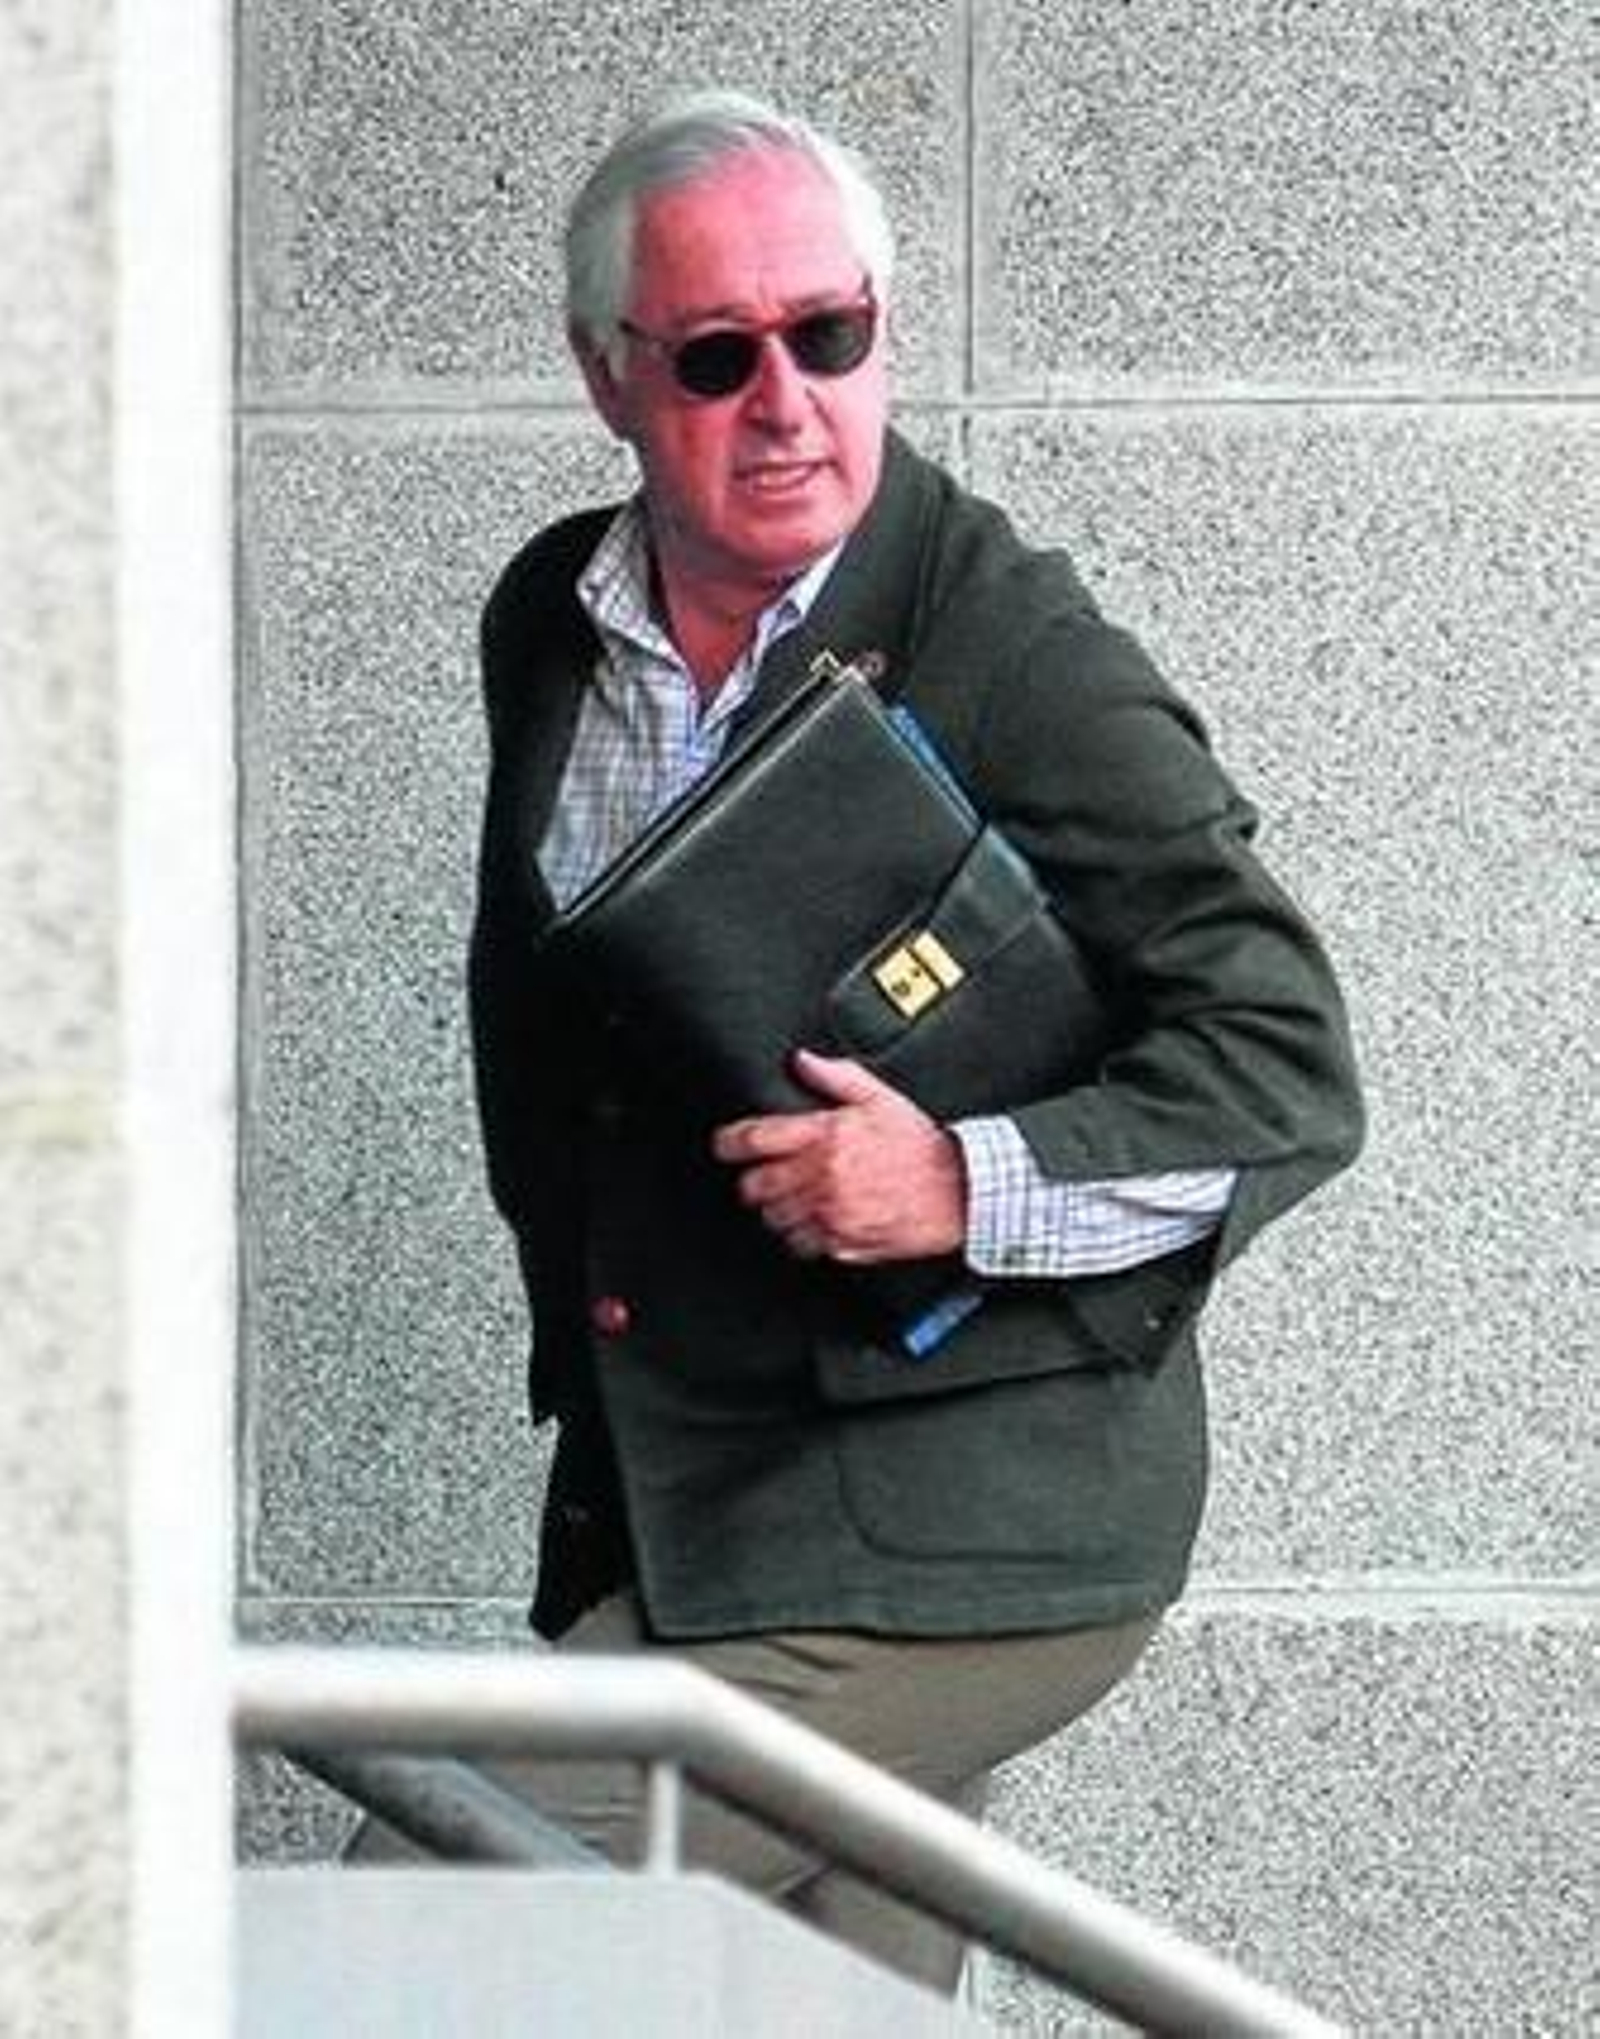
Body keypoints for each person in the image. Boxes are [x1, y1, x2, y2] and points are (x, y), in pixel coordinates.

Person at [354, 89, 1364, 1994]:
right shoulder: (552, 622)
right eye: (718, 356)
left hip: (956, 1536)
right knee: (828, 2008)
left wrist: (957, 1183)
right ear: (607, 374)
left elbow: (1284, 1070)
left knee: (411, 1896)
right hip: (690, 1493)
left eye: (831, 336)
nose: (788, 404)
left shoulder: (1007, 642)